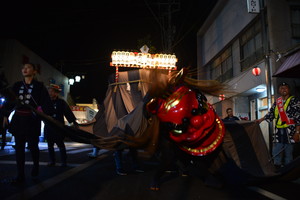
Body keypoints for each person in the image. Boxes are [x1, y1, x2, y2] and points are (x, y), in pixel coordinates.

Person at [3, 63, 54, 183]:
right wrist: (5, 113)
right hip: (18, 119)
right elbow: (10, 101)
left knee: (33, 146)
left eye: (28, 67)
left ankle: (36, 165)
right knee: (19, 148)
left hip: (32, 120)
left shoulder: (39, 86)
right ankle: (20, 175)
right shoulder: (17, 85)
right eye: (23, 68)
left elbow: (46, 102)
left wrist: (47, 112)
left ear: (34, 71)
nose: (25, 69)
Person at [257, 82, 300, 168]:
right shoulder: (277, 102)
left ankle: (288, 170)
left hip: (290, 131)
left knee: (289, 152)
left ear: (289, 90)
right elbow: (270, 114)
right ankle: (277, 168)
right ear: (279, 91)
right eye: (281, 88)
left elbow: (299, 117)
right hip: (278, 131)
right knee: (276, 151)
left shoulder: (295, 101)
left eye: (285, 88)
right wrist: (260, 120)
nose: (283, 89)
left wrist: (297, 132)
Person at [44, 84, 77, 167]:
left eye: (52, 91)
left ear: (56, 93)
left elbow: (68, 113)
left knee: (60, 144)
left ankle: (64, 161)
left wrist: (73, 123)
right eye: (49, 91)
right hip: (48, 126)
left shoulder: (61, 102)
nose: (50, 93)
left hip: (59, 127)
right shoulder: (45, 102)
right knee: (50, 145)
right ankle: (52, 161)